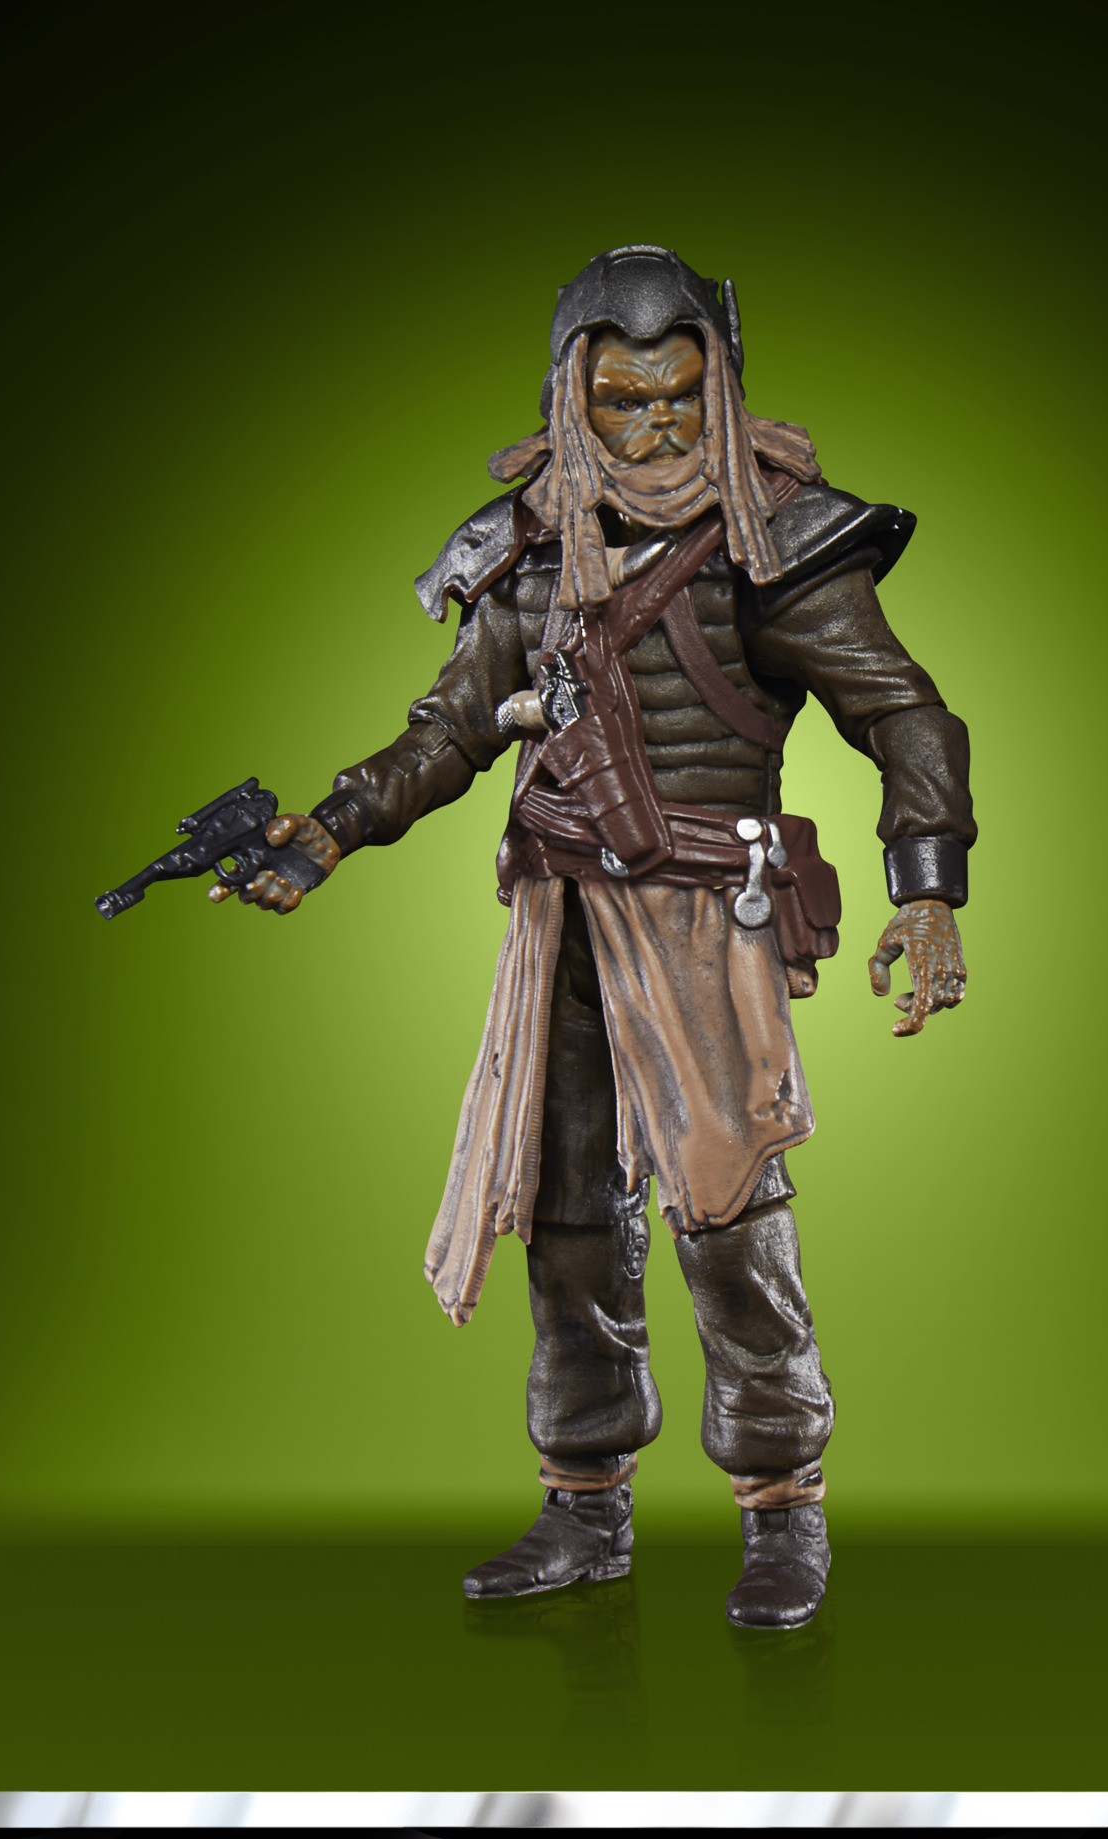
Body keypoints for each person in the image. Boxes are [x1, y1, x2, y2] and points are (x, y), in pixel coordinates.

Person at [221, 246, 974, 1628]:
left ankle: (782, 1510)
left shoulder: (777, 539)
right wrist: (325, 835)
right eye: (623, 400)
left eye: (681, 394)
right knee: (566, 1217)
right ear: (573, 397)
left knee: (728, 1215)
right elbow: (451, 730)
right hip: (559, 918)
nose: (656, 426)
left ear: (720, 386)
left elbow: (904, 714)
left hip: (703, 921)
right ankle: (584, 1507)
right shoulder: (525, 545)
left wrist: (926, 886)